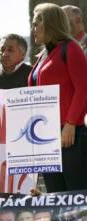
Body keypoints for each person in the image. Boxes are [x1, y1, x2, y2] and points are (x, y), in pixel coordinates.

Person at [29, 3, 87, 192]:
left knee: (75, 195)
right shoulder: (43, 55)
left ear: (50, 24)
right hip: (44, 136)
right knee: (55, 195)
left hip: (69, 136)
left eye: (36, 23)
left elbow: (83, 88)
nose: (33, 29)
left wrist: (70, 124)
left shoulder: (71, 48)